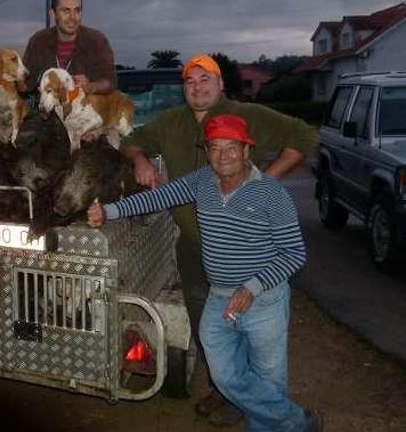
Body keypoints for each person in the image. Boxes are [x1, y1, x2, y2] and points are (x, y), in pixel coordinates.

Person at [88, 114, 323, 432]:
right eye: (215, 147)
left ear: (246, 151)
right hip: (219, 298)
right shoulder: (201, 181)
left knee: (268, 380)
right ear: (207, 151)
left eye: (231, 147)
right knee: (226, 376)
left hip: (263, 300)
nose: (223, 155)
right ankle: (299, 422)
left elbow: (294, 253)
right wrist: (109, 211)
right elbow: (159, 196)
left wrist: (251, 287)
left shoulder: (272, 194)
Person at [22, 0, 116, 95]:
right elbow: (25, 84)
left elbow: (110, 81)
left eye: (77, 10)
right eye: (66, 11)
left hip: (86, 109)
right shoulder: (38, 42)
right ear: (53, 14)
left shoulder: (96, 40)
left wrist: (90, 87)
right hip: (47, 109)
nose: (73, 17)